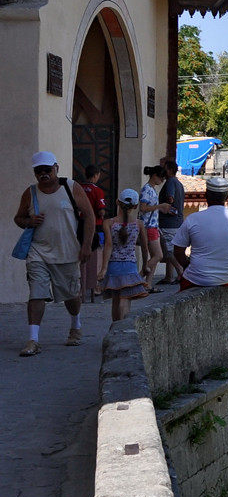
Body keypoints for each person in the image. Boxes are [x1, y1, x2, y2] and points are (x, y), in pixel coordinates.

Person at [13, 152, 96, 356]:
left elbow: (89, 216)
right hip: (38, 252)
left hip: (67, 252)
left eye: (47, 170)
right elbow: (19, 218)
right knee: (36, 293)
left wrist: (86, 245)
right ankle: (33, 340)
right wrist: (29, 221)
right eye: (38, 171)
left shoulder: (71, 187)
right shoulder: (30, 193)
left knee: (71, 295)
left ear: (56, 168)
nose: (43, 174)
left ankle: (75, 325)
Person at [171, 176, 228, 289]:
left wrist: (188, 265)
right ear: (227, 198)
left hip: (196, 279)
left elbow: (178, 251)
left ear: (206, 196)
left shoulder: (192, 219)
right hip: (227, 278)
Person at [100, 189, 150, 321]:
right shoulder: (139, 224)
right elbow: (145, 248)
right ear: (135, 206)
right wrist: (145, 266)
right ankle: (122, 325)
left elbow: (108, 245)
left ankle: (115, 326)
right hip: (130, 266)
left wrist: (103, 269)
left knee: (116, 300)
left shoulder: (109, 223)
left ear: (118, 202)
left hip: (113, 266)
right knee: (125, 299)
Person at [79, 163, 107, 302]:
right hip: (96, 226)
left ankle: (81, 288)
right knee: (97, 257)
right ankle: (95, 287)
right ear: (96, 175)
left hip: (80, 225)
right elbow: (100, 211)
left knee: (80, 258)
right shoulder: (98, 191)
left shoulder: (78, 188)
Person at [156, 157, 186, 284]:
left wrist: (161, 206)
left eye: (164, 168)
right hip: (177, 222)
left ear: (169, 170)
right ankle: (169, 276)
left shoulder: (170, 182)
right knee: (170, 249)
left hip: (169, 223)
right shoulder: (178, 183)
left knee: (168, 250)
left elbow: (170, 198)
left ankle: (180, 271)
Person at [138, 164, 165, 288]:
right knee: (158, 255)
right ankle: (139, 278)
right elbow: (143, 208)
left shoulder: (151, 189)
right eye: (161, 178)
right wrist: (159, 206)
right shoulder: (147, 189)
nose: (162, 181)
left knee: (155, 256)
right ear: (154, 176)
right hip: (149, 226)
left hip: (153, 225)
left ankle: (148, 283)